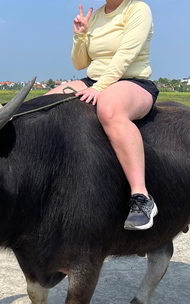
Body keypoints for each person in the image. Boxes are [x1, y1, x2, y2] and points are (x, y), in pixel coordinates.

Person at [47, 0, 159, 230]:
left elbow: (126, 55)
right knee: (46, 103)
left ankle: (142, 197)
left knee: (109, 108)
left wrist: (100, 89)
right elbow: (80, 64)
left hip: (132, 81)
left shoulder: (138, 9)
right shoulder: (96, 16)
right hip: (93, 80)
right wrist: (80, 35)